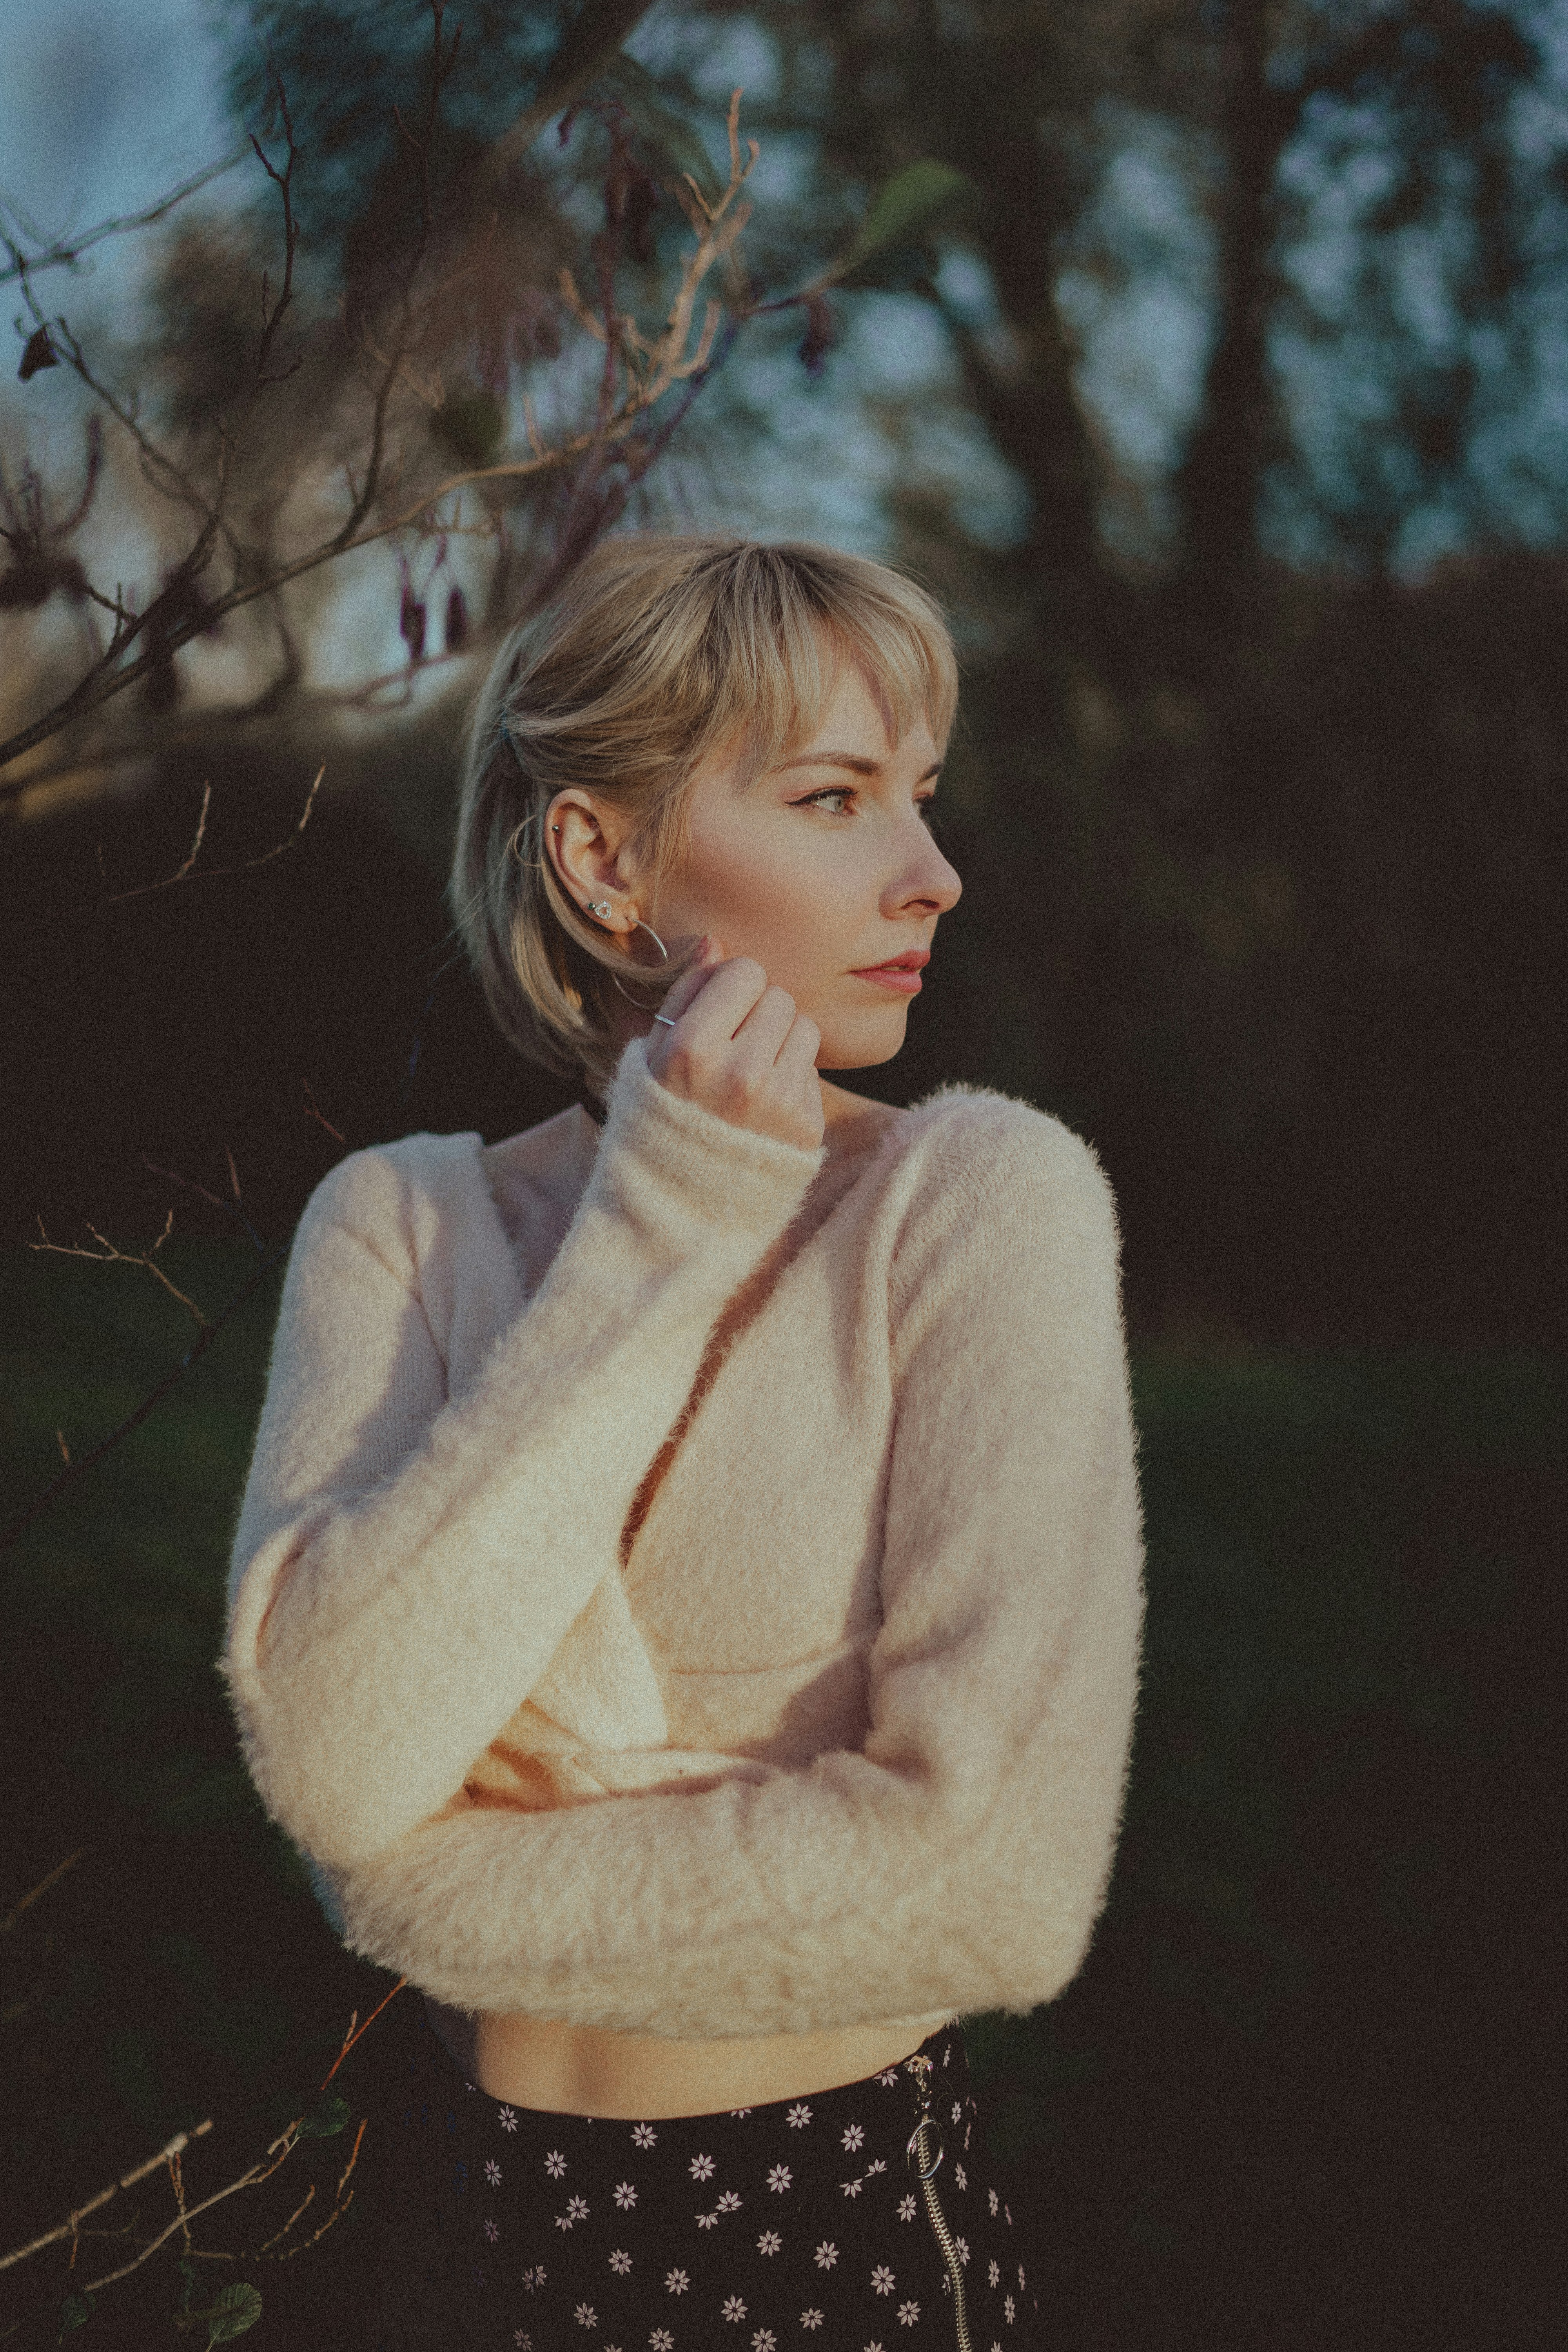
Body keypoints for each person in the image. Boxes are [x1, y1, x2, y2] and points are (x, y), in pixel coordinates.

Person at [221, 535, 1145, 2351]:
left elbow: (993, 1886)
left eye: (922, 793)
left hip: (823, 2232)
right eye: (835, 797)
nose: (932, 871)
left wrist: (409, 1888)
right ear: (602, 859)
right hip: (446, 2231)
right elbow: (333, 1755)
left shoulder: (978, 1204)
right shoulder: (397, 1227)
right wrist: (670, 1222)